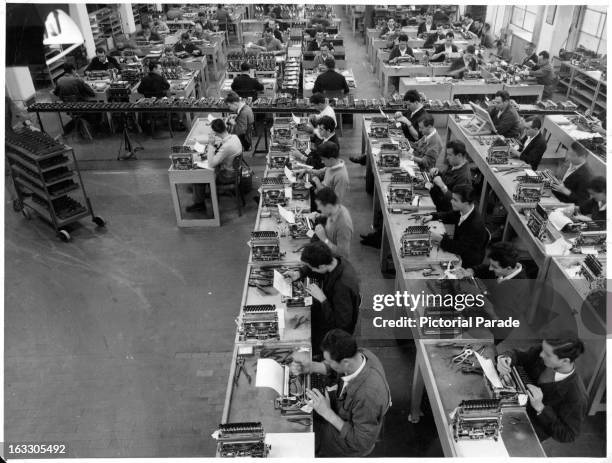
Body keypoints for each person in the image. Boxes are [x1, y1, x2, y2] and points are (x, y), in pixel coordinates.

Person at [290, 329, 391, 457]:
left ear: (345, 363)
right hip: (344, 408)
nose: (328, 364)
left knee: (302, 439)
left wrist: (327, 413)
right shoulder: (360, 356)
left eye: (330, 362)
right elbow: (337, 368)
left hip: (351, 442)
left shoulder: (367, 396)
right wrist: (312, 367)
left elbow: (361, 442)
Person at [496, 335, 588, 442]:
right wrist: (505, 359)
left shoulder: (577, 397)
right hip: (511, 403)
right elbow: (520, 355)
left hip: (530, 426)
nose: (541, 354)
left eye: (547, 354)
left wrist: (541, 408)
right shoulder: (546, 351)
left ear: (565, 361)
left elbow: (568, 435)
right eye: (543, 349)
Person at [285, 243, 360, 352]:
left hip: (336, 332)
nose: (311, 269)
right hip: (330, 308)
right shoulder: (335, 261)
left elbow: (342, 325)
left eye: (311, 267)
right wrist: (299, 273)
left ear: (322, 266)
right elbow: (319, 271)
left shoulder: (342, 287)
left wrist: (323, 299)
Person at [454, 242, 532, 343]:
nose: (491, 268)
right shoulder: (512, 266)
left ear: (508, 268)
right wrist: (471, 271)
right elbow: (487, 269)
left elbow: (494, 313)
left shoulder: (517, 288)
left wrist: (476, 293)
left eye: (494, 267)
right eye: (491, 264)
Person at [423, 185, 489, 268]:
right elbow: (449, 215)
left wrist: (440, 239)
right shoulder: (463, 210)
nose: (451, 201)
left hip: (468, 260)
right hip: (459, 247)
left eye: (455, 200)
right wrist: (433, 216)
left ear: (466, 203)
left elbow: (460, 248)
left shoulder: (475, 225)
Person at [187, 118, 242, 212]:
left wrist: (211, 145)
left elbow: (211, 164)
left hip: (227, 175)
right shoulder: (234, 137)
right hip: (234, 170)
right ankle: (201, 195)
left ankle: (199, 204)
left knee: (198, 176)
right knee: (200, 176)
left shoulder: (226, 146)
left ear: (215, 132)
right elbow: (224, 149)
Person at [428, 140, 473, 212]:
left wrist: (443, 186)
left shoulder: (464, 178)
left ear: (459, 156)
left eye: (449, 155)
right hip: (435, 199)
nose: (447, 158)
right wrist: (437, 172)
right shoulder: (454, 163)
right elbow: (446, 177)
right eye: (447, 154)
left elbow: (456, 203)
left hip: (444, 210)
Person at [310, 187, 353, 259]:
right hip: (326, 245)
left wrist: (324, 238)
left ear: (329, 206)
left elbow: (343, 255)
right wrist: (320, 215)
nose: (318, 209)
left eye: (319, 206)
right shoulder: (335, 208)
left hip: (332, 259)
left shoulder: (344, 226)